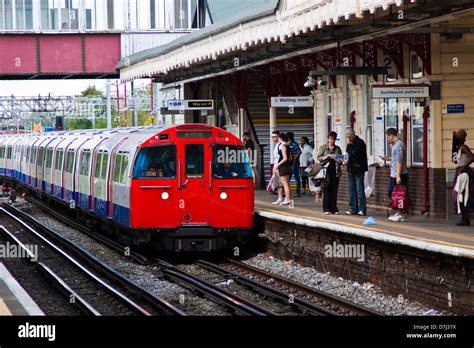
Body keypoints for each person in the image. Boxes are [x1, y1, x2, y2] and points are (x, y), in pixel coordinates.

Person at [381, 128, 409, 222]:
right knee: (395, 194)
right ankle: (398, 212)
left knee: (399, 194)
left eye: (388, 137)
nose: (387, 139)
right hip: (394, 173)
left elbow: (399, 161)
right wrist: (388, 158)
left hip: (398, 174)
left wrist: (398, 175)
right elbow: (396, 159)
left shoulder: (398, 146)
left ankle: (401, 213)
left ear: (391, 135)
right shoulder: (397, 145)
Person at [344, 127, 368, 216]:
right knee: (351, 190)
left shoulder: (360, 143)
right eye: (347, 137)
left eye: (349, 136)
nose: (348, 138)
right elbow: (348, 154)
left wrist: (350, 145)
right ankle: (353, 208)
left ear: (353, 134)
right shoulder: (349, 144)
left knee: (359, 190)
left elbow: (355, 153)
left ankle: (362, 209)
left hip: (358, 169)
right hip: (351, 169)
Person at [452, 129, 474, 226]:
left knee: (463, 195)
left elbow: (472, 157)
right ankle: (465, 218)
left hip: (464, 173)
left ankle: (465, 218)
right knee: (461, 195)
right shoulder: (460, 148)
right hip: (461, 172)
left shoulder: (464, 147)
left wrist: (464, 167)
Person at [317, 132, 342, 214]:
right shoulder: (323, 147)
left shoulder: (337, 148)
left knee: (334, 190)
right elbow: (319, 157)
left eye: (334, 139)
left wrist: (335, 157)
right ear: (328, 139)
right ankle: (326, 208)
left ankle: (334, 208)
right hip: (325, 172)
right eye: (331, 139)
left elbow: (341, 159)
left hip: (335, 171)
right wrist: (326, 157)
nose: (332, 141)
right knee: (326, 189)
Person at [274, 133, 293, 206]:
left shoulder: (283, 146)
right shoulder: (288, 146)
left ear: (280, 138)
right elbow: (290, 158)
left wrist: (277, 165)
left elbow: (285, 158)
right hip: (287, 166)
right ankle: (289, 199)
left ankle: (287, 199)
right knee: (287, 184)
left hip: (283, 167)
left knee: (284, 184)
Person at [271, 130, 284, 204]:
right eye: (272, 137)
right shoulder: (276, 146)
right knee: (277, 184)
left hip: (280, 167)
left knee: (282, 184)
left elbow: (282, 157)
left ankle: (285, 199)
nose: (273, 138)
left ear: (278, 137)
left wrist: (277, 166)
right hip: (276, 167)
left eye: (275, 137)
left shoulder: (281, 146)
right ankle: (280, 198)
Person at [287, 132, 302, 197]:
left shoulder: (294, 144)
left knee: (296, 177)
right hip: (289, 163)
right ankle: (287, 191)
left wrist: (295, 158)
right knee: (288, 177)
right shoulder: (288, 144)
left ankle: (298, 192)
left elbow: (299, 152)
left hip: (294, 162)